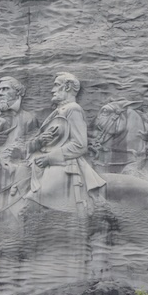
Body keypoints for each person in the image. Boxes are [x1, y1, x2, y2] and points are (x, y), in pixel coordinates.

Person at [26, 72, 105, 213]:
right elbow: (44, 141)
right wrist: (39, 141)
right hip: (40, 163)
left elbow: (80, 145)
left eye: (56, 85)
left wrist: (49, 159)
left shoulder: (73, 109)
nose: (52, 90)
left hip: (64, 165)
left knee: (35, 200)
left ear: (68, 87)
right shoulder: (57, 111)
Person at [0, 76, 38, 158]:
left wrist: (19, 153)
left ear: (18, 92)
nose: (0, 93)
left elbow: (35, 144)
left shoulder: (28, 118)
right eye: (0, 89)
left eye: (5, 89)